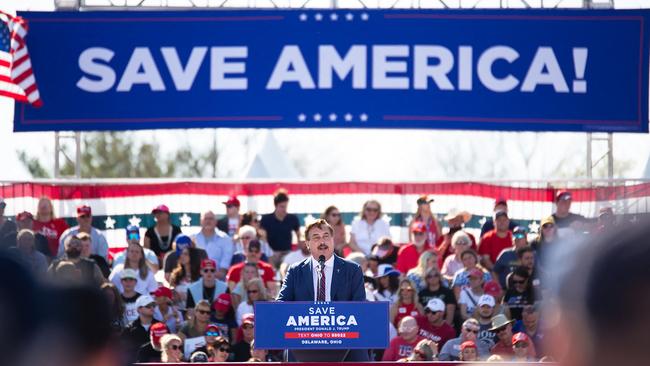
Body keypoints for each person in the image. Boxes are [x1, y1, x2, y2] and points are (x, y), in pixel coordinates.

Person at [277, 218, 368, 361]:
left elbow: (360, 307)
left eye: (326, 236)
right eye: (316, 237)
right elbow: (281, 305)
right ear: (307, 244)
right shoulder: (295, 271)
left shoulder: (352, 270)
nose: (322, 241)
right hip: (304, 344)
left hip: (346, 344)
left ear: (332, 240)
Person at [260, 188, 301, 267]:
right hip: (271, 255)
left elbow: (300, 236)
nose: (284, 209)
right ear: (275, 205)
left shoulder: (292, 218)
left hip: (288, 254)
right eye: (281, 206)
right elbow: (263, 239)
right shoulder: (266, 219)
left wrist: (295, 252)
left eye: (285, 206)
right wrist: (272, 253)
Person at [194, 211, 233, 279]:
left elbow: (225, 262)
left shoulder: (225, 239)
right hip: (196, 277)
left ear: (216, 222)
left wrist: (215, 274)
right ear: (201, 221)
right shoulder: (193, 238)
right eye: (205, 219)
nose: (208, 221)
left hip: (218, 278)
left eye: (211, 219)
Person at [123, 295, 161, 362]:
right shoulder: (129, 328)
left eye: (153, 305)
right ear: (139, 309)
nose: (152, 308)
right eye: (148, 306)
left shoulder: (161, 326)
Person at [169, 246, 204, 313]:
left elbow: (203, 297)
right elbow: (171, 298)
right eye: (181, 254)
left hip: (196, 312)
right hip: (178, 311)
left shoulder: (201, 276)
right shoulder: (175, 275)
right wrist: (174, 296)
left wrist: (187, 297)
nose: (182, 256)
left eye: (185, 254)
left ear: (193, 256)